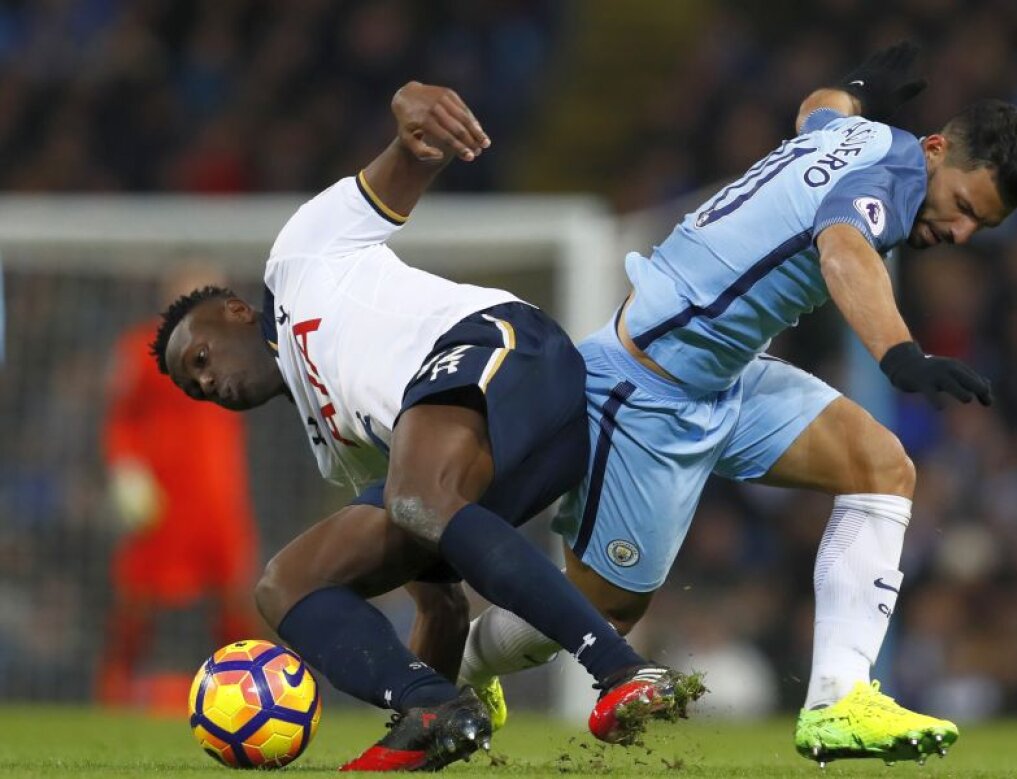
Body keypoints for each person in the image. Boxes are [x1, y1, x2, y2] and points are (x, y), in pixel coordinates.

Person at [457, 42, 1017, 767]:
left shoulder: (862, 135)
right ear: (935, 149)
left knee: (881, 466)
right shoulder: (897, 177)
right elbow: (843, 251)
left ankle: (838, 699)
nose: (958, 233)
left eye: (979, 228)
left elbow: (817, 111)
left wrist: (857, 86)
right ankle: (470, 663)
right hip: (648, 389)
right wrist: (903, 355)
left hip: (725, 376)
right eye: (963, 206)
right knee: (605, 609)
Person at [151, 81, 700, 772]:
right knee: (286, 581)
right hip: (509, 454)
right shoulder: (340, 447)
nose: (204, 381)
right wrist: (433, 703)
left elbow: (406, 160)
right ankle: (429, 709)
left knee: (416, 496)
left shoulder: (295, 261)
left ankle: (623, 670)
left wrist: (413, 115)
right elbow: (440, 605)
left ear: (234, 311)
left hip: (506, 349)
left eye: (197, 358)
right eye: (191, 386)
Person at [97, 267, 261, 711]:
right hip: (163, 497)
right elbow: (120, 419)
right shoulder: (137, 348)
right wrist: (126, 471)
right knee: (138, 594)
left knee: (236, 597)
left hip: (221, 495)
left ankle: (252, 690)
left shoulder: (237, 348)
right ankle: (114, 687)